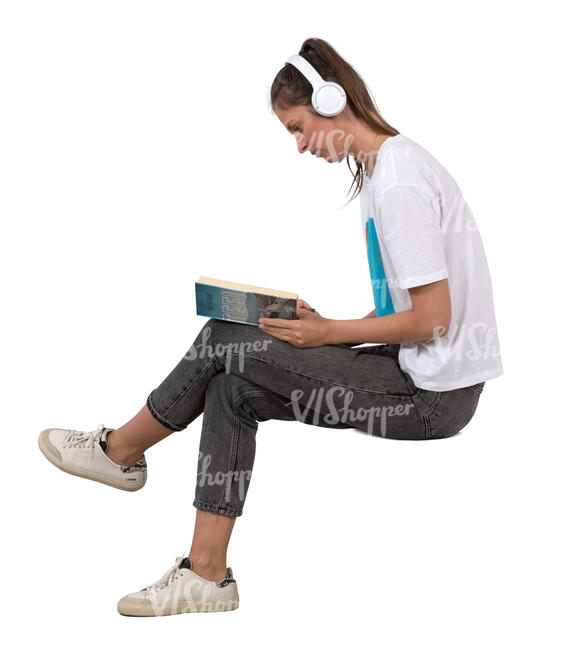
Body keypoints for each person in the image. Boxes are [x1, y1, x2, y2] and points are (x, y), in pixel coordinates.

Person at [37, 37, 503, 617]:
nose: (302, 145)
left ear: (331, 101)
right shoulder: (390, 169)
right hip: (420, 375)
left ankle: (119, 451)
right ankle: (207, 574)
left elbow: (435, 320)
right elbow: (412, 316)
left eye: (298, 128)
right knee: (230, 386)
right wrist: (321, 327)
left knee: (222, 338)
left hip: (434, 398)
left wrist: (329, 333)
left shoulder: (400, 180)